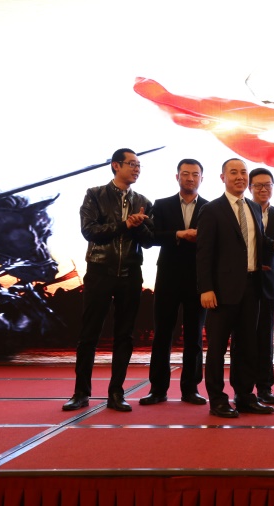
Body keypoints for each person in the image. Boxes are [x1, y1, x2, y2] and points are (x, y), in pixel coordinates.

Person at [63, 148, 154, 412]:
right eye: (132, 164)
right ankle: (81, 393)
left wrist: (139, 225)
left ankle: (116, 393)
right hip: (100, 271)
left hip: (130, 273)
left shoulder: (144, 201)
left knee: (125, 335)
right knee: (89, 335)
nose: (136, 169)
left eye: (139, 165)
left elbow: (149, 242)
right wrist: (125, 225)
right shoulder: (95, 194)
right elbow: (89, 231)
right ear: (116, 165)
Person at [197, 158, 274, 418]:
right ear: (222, 177)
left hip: (252, 288)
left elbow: (259, 242)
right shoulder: (212, 209)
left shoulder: (253, 207)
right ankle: (217, 400)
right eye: (233, 172)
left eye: (243, 172)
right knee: (217, 349)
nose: (239, 177)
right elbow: (204, 253)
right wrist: (206, 288)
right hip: (221, 291)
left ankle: (245, 396)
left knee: (247, 346)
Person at [140, 159, 208, 407]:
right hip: (168, 277)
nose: (190, 178)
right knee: (162, 334)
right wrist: (179, 234)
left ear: (202, 178)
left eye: (195, 174)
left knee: (194, 336)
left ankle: (191, 389)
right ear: (177, 177)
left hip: (198, 279)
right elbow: (151, 238)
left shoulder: (211, 208)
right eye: (185, 174)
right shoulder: (161, 205)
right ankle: (157, 389)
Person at [249, 167, 274, 405]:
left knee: (265, 337)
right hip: (242, 284)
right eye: (258, 185)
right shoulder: (241, 211)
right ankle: (243, 388)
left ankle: (265, 387)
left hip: (268, 284)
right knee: (244, 338)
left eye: (267, 185)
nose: (263, 189)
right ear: (250, 187)